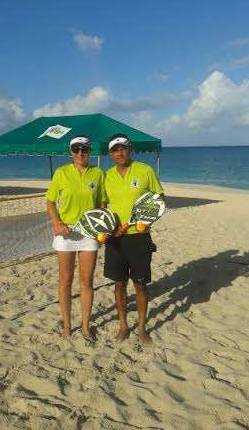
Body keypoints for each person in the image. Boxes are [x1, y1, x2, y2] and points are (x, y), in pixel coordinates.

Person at [104, 133, 165, 343]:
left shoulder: (145, 170)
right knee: (119, 284)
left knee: (140, 285)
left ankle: (141, 328)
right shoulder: (107, 176)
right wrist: (110, 229)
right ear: (110, 154)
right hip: (115, 239)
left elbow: (159, 198)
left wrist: (148, 219)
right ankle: (123, 325)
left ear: (130, 149)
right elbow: (102, 207)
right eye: (115, 149)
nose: (120, 152)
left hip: (140, 238)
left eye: (123, 148)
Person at [46, 135, 106, 340]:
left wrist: (101, 225)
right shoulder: (61, 172)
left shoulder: (98, 174)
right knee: (65, 281)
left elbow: (101, 204)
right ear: (71, 151)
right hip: (66, 233)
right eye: (76, 149)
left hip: (89, 232)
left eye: (85, 149)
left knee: (86, 281)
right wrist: (57, 223)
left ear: (90, 151)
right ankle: (66, 325)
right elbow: (51, 202)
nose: (80, 153)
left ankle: (85, 326)